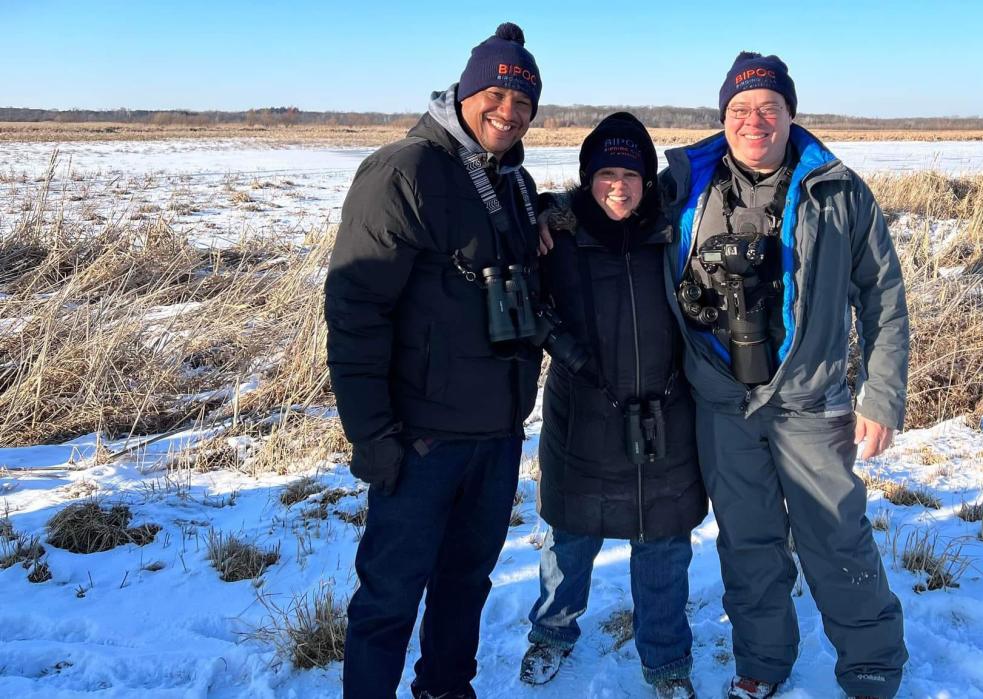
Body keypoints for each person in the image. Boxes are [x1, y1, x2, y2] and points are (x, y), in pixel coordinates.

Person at [659, 52, 910, 699]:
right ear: (723, 116)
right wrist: (556, 219)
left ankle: (872, 664)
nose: (754, 120)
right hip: (722, 402)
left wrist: (880, 393)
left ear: (791, 113)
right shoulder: (686, 183)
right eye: (739, 109)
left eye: (768, 107)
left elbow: (882, 292)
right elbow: (612, 205)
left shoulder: (837, 187)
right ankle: (763, 662)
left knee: (837, 536)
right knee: (748, 543)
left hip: (809, 400)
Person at [324, 22, 545, 699]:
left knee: (465, 583)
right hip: (421, 438)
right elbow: (356, 311)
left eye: (523, 102)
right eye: (496, 97)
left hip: (496, 431)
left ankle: (446, 688)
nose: (508, 114)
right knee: (391, 595)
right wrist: (372, 434)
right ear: (466, 91)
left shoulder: (516, 182)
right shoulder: (404, 171)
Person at [520, 113, 707, 699]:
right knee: (569, 539)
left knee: (663, 545)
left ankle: (668, 662)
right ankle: (551, 633)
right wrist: (546, 211)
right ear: (587, 178)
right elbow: (517, 290)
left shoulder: (675, 234)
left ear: (648, 179)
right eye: (605, 174)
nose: (618, 186)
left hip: (667, 413)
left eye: (630, 172)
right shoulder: (560, 237)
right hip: (583, 415)